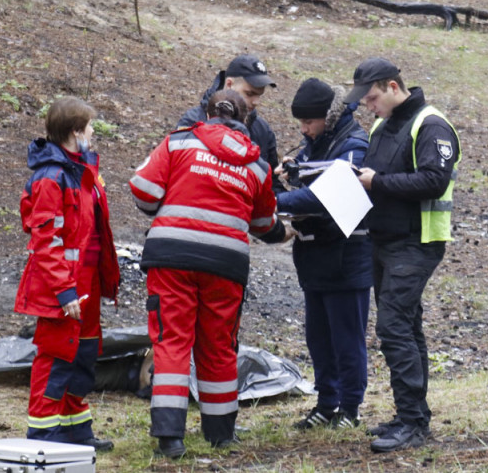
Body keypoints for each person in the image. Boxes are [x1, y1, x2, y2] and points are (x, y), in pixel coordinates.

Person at [129, 89, 289, 458]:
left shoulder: (179, 142)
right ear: (246, 120)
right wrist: (285, 233)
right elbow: (264, 223)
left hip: (172, 258)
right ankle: (220, 433)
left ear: (207, 112)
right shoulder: (257, 166)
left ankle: (170, 437)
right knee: (218, 345)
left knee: (172, 341)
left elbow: (144, 191)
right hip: (226, 265)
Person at [351, 57, 461, 453]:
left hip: (417, 242)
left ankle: (413, 422)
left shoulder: (431, 124)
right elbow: (372, 175)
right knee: (406, 326)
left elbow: (434, 179)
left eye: (373, 97)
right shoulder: (383, 123)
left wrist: (376, 181)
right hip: (384, 239)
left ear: (394, 87)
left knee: (395, 327)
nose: (368, 106)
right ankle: (411, 415)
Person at [15, 96, 120, 451]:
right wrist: (64, 291)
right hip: (63, 286)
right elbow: (46, 240)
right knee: (57, 355)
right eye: (89, 127)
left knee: (84, 354)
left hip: (85, 283)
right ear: (76, 132)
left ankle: (76, 430)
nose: (93, 133)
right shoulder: (52, 178)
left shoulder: (83, 173)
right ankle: (44, 435)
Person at [274, 78, 373, 430]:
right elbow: (308, 184)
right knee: (318, 338)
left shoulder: (354, 145)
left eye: (309, 122)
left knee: (346, 338)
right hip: (315, 258)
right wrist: (289, 175)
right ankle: (327, 402)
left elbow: (329, 195)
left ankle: (350, 407)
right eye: (301, 123)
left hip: (347, 258)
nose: (304, 129)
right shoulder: (315, 145)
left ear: (326, 118)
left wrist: (275, 202)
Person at [176, 54, 284, 193]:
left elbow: (270, 184)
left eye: (259, 95)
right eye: (249, 94)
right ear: (229, 84)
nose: (256, 102)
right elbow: (176, 172)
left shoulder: (262, 131)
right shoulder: (194, 122)